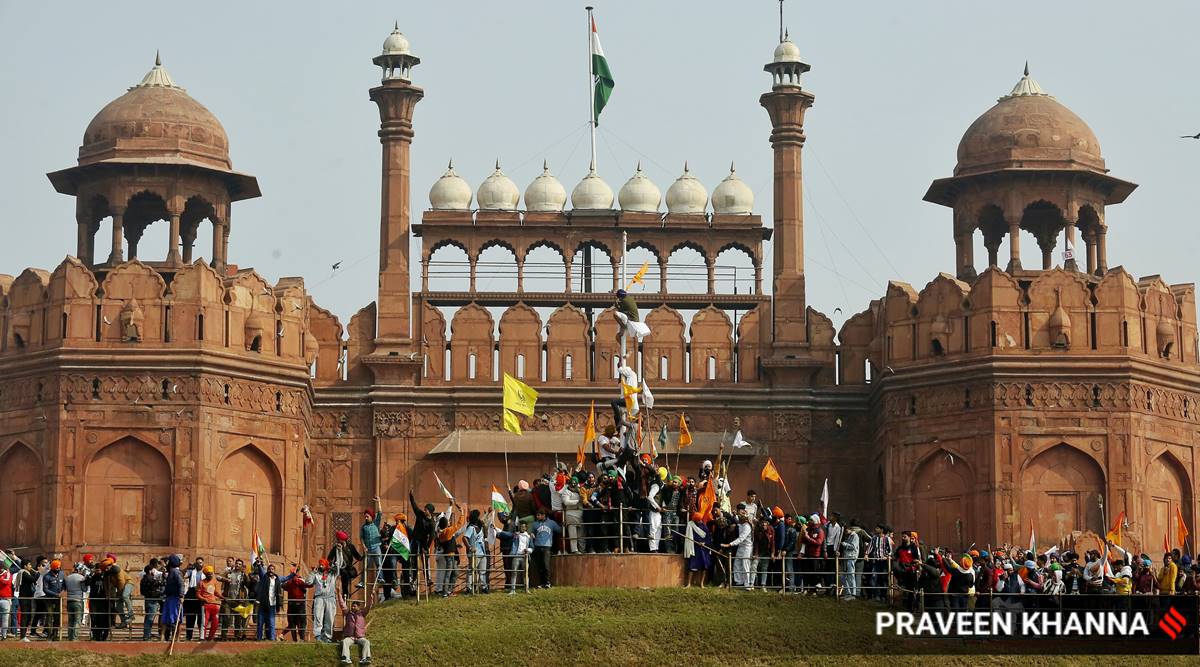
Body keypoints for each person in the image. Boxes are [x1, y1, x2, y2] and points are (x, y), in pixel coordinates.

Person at [306, 558, 338, 643]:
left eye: (322, 564)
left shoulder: (333, 574)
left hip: (330, 598)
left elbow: (339, 565)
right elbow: (308, 582)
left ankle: (327, 637)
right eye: (319, 564)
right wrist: (313, 573)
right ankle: (318, 636)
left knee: (329, 618)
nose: (320, 566)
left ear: (326, 565)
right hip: (319, 598)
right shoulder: (316, 575)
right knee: (318, 617)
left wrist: (339, 551)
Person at [337, 594, 375, 665]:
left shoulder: (362, 614)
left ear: (358, 607)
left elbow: (368, 607)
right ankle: (346, 658)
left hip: (360, 637)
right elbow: (342, 604)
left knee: (366, 642)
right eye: (352, 606)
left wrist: (371, 599)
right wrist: (339, 593)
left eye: (354, 606)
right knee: (345, 641)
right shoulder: (348, 613)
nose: (352, 607)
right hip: (350, 637)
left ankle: (365, 658)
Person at [217, 558, 248, 640]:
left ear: (241, 566)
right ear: (235, 564)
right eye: (237, 563)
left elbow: (249, 583)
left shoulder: (243, 575)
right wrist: (226, 579)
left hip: (238, 600)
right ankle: (224, 636)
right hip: (228, 599)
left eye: (239, 564)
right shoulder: (229, 572)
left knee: (238, 619)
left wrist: (246, 574)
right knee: (226, 618)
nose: (238, 565)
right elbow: (218, 577)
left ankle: (237, 636)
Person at [279, 564, 311, 641]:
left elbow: (282, 585)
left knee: (294, 623)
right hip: (298, 605)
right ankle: (301, 639)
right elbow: (309, 585)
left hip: (294, 604)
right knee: (300, 623)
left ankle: (296, 639)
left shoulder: (290, 582)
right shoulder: (298, 581)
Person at [500, 521, 533, 594]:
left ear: (526, 528)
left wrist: (528, 550)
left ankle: (526, 589)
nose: (522, 528)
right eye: (521, 526)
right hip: (516, 555)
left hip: (525, 556)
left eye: (524, 527)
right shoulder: (516, 535)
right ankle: (512, 590)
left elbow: (532, 547)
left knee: (525, 573)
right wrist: (497, 530)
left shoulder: (528, 536)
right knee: (514, 572)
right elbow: (507, 534)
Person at [724, 510, 754, 590]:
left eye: (741, 517)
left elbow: (741, 539)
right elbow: (735, 520)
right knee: (736, 564)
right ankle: (739, 582)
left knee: (745, 565)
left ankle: (747, 585)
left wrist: (730, 544)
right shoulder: (741, 524)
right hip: (741, 547)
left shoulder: (747, 526)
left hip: (747, 547)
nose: (740, 519)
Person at [531, 509, 561, 588]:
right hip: (537, 546)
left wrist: (563, 525)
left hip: (547, 546)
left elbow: (559, 530)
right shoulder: (535, 524)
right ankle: (541, 583)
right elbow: (531, 532)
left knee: (546, 565)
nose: (537, 517)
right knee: (539, 566)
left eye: (539, 515)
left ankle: (547, 582)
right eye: (537, 515)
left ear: (544, 515)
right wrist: (532, 534)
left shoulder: (551, 523)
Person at [328, 531, 363, 599]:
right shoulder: (335, 548)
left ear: (343, 539)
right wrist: (332, 566)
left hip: (349, 568)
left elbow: (357, 556)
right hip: (340, 568)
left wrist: (365, 556)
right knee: (344, 574)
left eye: (338, 539)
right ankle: (345, 594)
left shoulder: (350, 546)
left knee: (347, 575)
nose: (338, 541)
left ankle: (345, 594)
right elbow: (329, 558)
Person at [253, 560, 282, 641]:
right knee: (260, 622)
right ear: (268, 570)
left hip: (272, 604)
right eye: (269, 569)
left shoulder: (277, 579)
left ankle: (272, 639)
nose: (271, 570)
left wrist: (293, 574)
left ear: (274, 570)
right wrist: (259, 565)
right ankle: (259, 638)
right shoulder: (264, 577)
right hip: (263, 603)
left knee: (272, 623)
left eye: (272, 569)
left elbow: (285, 578)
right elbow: (261, 572)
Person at [462, 509, 489, 593]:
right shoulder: (471, 528)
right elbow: (464, 538)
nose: (479, 519)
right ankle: (469, 587)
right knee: (471, 570)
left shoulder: (479, 528)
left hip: (482, 552)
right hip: (474, 553)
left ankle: (484, 587)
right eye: (477, 517)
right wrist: (470, 547)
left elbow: (486, 535)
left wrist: (484, 525)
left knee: (483, 571)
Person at [360, 496, 384, 588]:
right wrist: (364, 546)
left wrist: (379, 502)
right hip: (368, 549)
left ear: (371, 517)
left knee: (379, 564)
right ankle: (362, 582)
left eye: (367, 516)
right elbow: (361, 538)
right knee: (365, 566)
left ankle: (380, 578)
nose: (366, 518)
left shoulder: (375, 524)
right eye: (365, 516)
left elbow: (380, 513)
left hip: (376, 547)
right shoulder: (364, 527)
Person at [161, 555, 185, 643]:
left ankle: (177, 638)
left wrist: (181, 596)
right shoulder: (170, 572)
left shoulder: (176, 572)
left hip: (175, 598)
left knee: (177, 619)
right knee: (165, 618)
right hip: (169, 598)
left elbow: (181, 584)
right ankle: (162, 638)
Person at [684, 512, 711, 588]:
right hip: (694, 548)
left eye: (700, 520)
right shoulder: (690, 525)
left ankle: (701, 584)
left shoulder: (704, 526)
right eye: (698, 520)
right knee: (692, 566)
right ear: (695, 521)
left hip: (703, 549)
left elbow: (708, 537)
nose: (700, 521)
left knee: (704, 567)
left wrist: (704, 543)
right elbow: (689, 537)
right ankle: (689, 584)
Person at [140, 559, 165, 641]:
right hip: (152, 600)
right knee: (150, 618)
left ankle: (147, 634)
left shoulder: (143, 579)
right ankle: (147, 636)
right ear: (150, 571)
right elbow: (157, 584)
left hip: (147, 599)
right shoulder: (150, 579)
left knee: (147, 617)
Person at [195, 565, 222, 641]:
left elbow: (216, 592)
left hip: (214, 605)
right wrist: (204, 599)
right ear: (205, 574)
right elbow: (197, 595)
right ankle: (202, 638)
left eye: (211, 573)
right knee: (204, 623)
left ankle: (211, 637)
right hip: (205, 605)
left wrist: (222, 597)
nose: (210, 575)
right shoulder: (201, 583)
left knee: (215, 623)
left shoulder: (214, 581)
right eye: (208, 574)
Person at [39, 559, 64, 641]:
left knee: (57, 617)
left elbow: (64, 585)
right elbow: (45, 589)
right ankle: (49, 634)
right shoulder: (47, 576)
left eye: (59, 568)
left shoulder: (62, 574)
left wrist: (63, 592)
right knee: (49, 616)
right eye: (56, 568)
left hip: (58, 600)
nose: (58, 570)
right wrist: (56, 594)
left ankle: (55, 634)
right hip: (49, 599)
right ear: (52, 568)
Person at [182, 556, 204, 640]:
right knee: (190, 617)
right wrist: (186, 568)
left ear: (203, 563)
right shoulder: (191, 571)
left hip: (201, 596)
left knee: (200, 618)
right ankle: (189, 636)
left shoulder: (205, 573)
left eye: (200, 563)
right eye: (197, 563)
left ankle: (201, 636)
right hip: (191, 594)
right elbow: (183, 576)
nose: (199, 564)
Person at [840, 519, 862, 600]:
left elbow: (853, 546)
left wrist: (844, 544)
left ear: (850, 529)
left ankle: (853, 594)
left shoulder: (855, 536)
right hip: (846, 558)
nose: (846, 531)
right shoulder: (849, 536)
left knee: (851, 575)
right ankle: (848, 592)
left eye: (847, 530)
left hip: (851, 558)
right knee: (843, 576)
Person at [0, 563, 13, 641]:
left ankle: (4, 635)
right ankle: (4, 636)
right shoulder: (6, 573)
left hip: (5, 598)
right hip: (5, 599)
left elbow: (7, 582)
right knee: (5, 618)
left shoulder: (6, 573)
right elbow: (7, 582)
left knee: (5, 618)